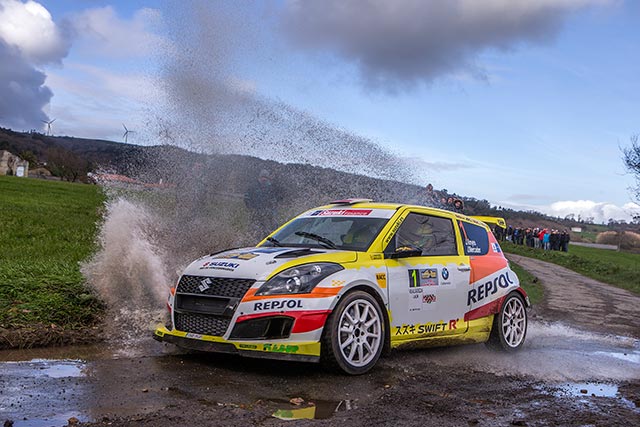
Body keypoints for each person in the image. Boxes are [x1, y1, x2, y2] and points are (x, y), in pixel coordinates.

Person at [245, 169, 280, 239]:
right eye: (262, 177)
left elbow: (276, 198)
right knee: (256, 228)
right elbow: (246, 198)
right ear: (259, 177)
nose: (264, 179)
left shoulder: (271, 188)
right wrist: (251, 208)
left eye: (266, 177)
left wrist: (273, 206)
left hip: (269, 211)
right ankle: (255, 240)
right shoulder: (253, 187)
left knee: (272, 227)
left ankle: (272, 239)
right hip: (256, 211)